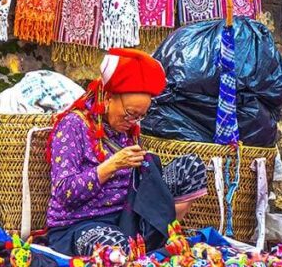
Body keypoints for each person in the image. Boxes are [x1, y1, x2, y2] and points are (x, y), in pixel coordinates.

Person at [46, 48, 208, 256]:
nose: (132, 122)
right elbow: (64, 191)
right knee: (115, 247)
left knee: (191, 168)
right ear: (108, 97)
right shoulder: (73, 126)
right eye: (130, 114)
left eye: (139, 117)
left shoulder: (127, 131)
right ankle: (139, 250)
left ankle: (162, 236)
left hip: (127, 218)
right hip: (80, 225)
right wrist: (113, 165)